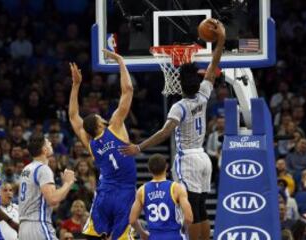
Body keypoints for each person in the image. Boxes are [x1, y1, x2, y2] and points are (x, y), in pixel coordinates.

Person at [120, 19, 226, 240]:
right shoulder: (205, 93)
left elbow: (164, 132)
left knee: (193, 210)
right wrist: (222, 38)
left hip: (187, 158)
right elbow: (213, 65)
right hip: (203, 156)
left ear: (178, 83)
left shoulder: (179, 107)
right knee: (202, 207)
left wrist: (139, 146)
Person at [69, 50, 144, 239]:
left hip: (104, 194)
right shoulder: (116, 127)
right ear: (100, 122)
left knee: (94, 236)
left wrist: (76, 85)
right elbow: (128, 90)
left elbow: (72, 116)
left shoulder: (91, 143)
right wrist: (120, 62)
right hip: (124, 194)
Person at [18, 134, 76, 240]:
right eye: (48, 143)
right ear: (44, 150)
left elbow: (47, 202)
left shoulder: (26, 169)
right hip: (38, 225)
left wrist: (63, 188)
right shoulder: (43, 169)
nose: (50, 143)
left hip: (23, 228)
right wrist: (68, 183)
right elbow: (53, 199)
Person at [129, 154, 193, 240]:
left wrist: (142, 233)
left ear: (149, 170)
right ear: (166, 167)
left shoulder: (142, 190)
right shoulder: (177, 188)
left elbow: (132, 220)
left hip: (154, 236)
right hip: (173, 235)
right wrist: (183, 229)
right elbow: (189, 218)